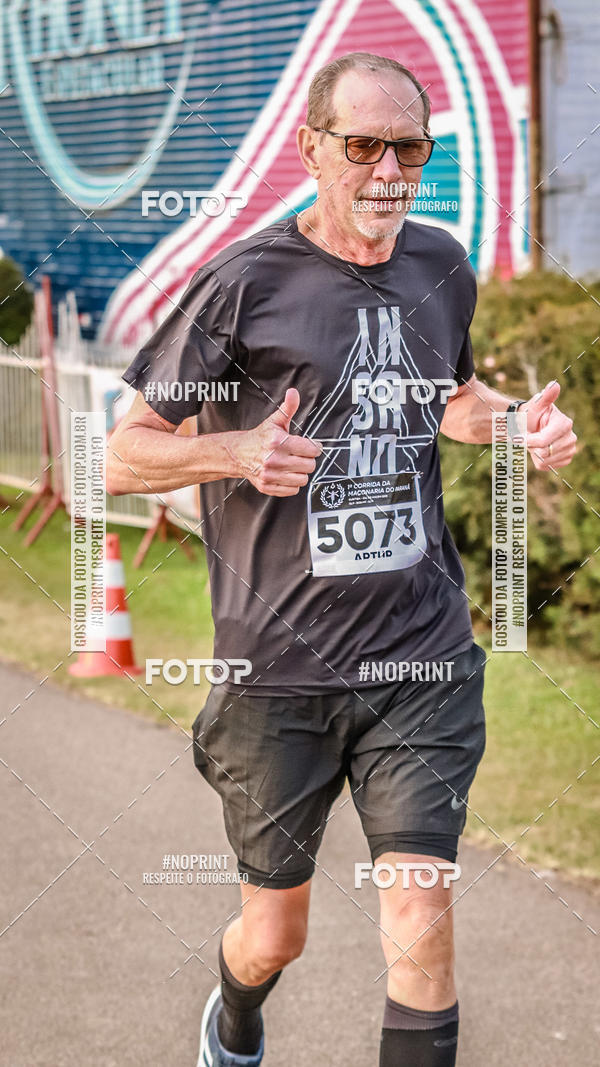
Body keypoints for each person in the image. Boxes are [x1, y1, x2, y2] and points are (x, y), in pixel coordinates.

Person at [107, 51, 577, 1067]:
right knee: (276, 933)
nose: (388, 171)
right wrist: (235, 450)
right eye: (363, 145)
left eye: (410, 148)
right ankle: (235, 1015)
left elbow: (448, 398)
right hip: (278, 671)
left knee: (420, 910)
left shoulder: (441, 263)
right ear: (311, 147)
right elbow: (120, 452)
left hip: (420, 657)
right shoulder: (244, 282)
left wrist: (515, 423)